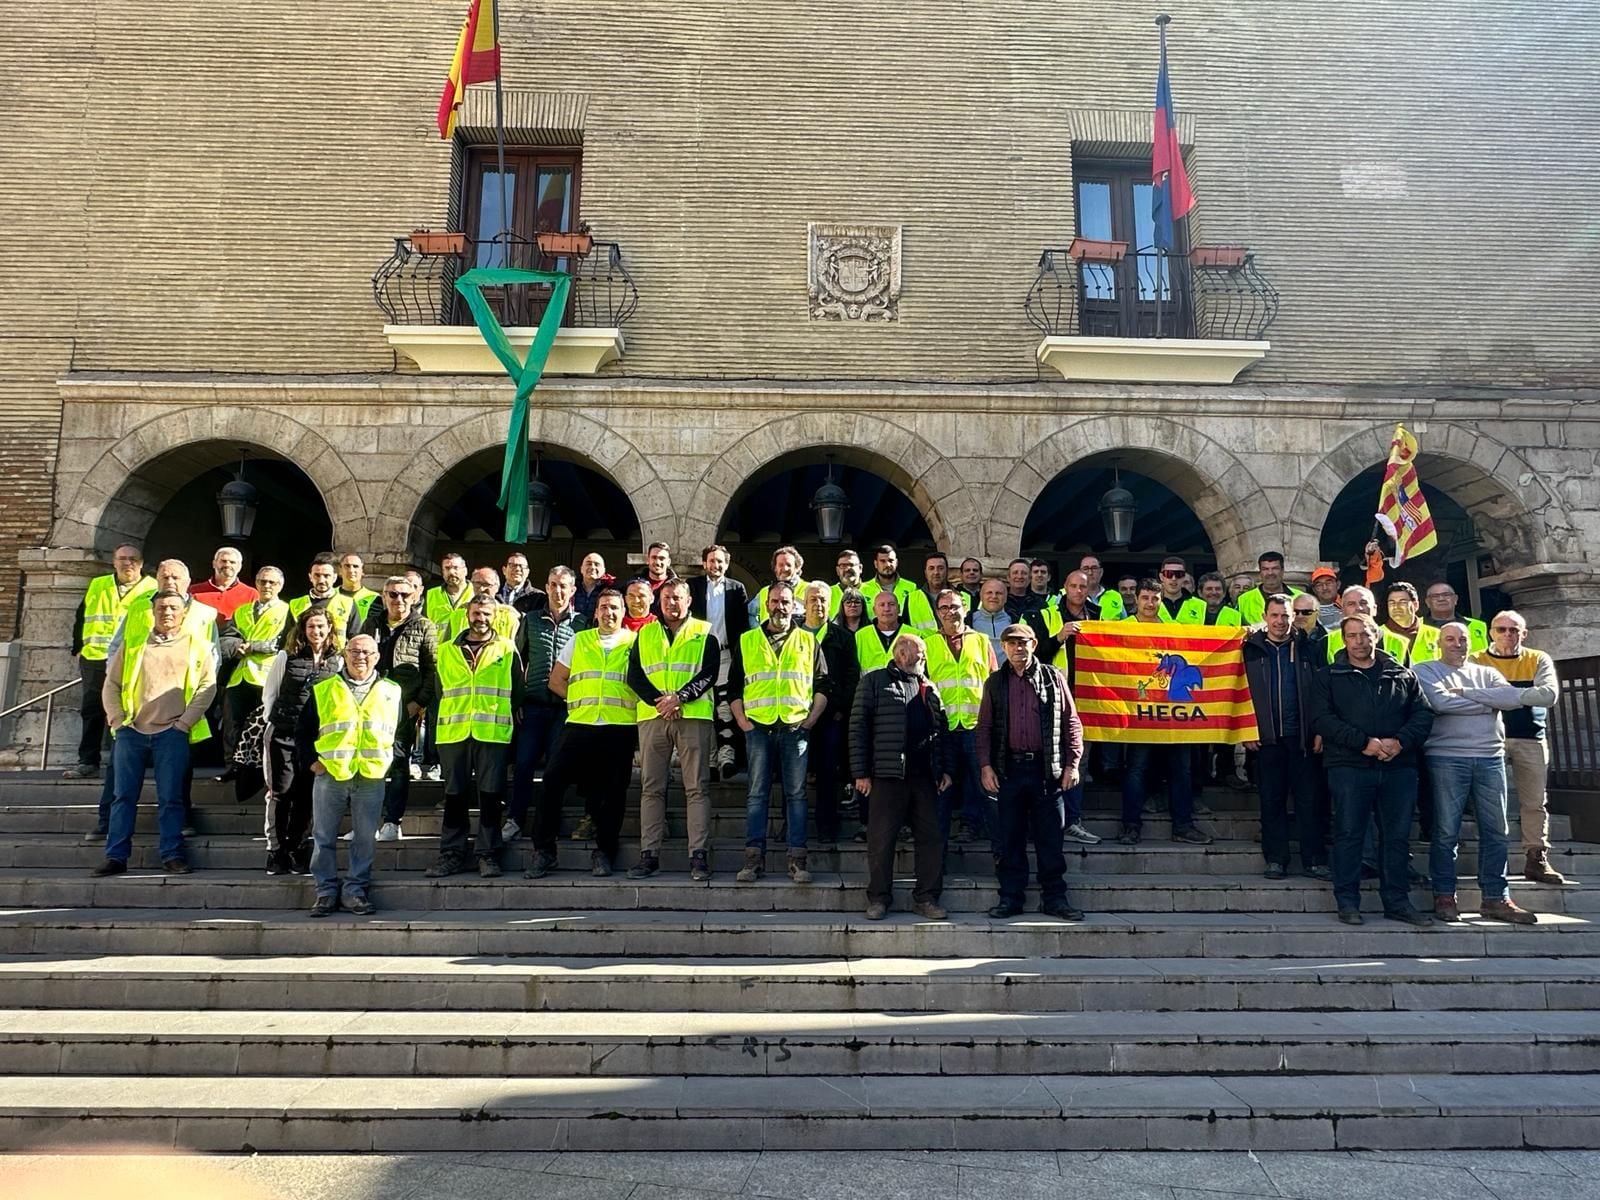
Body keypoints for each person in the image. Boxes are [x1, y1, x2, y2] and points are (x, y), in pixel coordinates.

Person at [1310, 614, 1435, 926]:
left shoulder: (1402, 674)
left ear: (1376, 636)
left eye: (1364, 635)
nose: (1359, 641)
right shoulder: (1329, 676)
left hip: (1398, 766)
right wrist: (1363, 742)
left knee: (1396, 837)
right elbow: (1322, 719)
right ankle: (1348, 902)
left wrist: (1399, 742)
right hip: (1349, 766)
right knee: (1349, 833)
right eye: (1351, 636)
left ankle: (1397, 901)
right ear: (1344, 639)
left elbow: (1422, 714)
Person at [1414, 623, 1538, 924]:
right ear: (1439, 643)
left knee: (1496, 831)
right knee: (1446, 831)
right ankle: (1445, 896)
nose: (1457, 644)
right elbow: (1440, 703)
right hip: (1446, 757)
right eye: (1450, 639)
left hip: (1490, 758)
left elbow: (1511, 699)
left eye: (1463, 639)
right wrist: (1487, 702)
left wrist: (1467, 695)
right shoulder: (1425, 670)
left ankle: (1496, 897)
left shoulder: (1487, 671)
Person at [93, 591, 217, 877]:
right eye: (161, 607)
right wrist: (117, 721)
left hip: (172, 733)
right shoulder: (134, 644)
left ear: (184, 612)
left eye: (174, 608)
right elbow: (111, 684)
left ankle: (172, 855)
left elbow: (207, 687)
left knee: (171, 798)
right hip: (131, 733)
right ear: (153, 611)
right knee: (122, 797)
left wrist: (184, 723)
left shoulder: (198, 646)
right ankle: (116, 856)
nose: (168, 613)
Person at [525, 589, 638, 879]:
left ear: (623, 612)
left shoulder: (635, 642)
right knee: (551, 781)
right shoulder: (580, 639)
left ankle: (604, 852)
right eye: (603, 607)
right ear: (595, 612)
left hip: (620, 726)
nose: (609, 613)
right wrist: (576, 701)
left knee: (612, 794)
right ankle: (544, 851)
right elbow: (556, 680)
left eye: (614, 607)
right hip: (580, 724)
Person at [977, 622, 1084, 921]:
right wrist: (985, 766)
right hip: (1009, 769)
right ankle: (1010, 898)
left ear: (1034, 645)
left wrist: (1072, 764)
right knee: (1010, 838)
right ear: (1004, 647)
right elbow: (984, 727)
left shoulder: (1053, 678)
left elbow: (1071, 722)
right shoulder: (995, 682)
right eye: (1011, 643)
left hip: (1046, 770)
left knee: (1051, 838)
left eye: (1022, 643)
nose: (1017, 648)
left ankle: (1056, 899)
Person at [297, 633, 400, 917]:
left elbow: (399, 731)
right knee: (323, 836)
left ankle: (355, 890)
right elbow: (303, 731)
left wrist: (391, 759)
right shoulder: (324, 688)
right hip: (331, 774)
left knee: (365, 838)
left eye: (367, 652)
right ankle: (326, 892)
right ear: (344, 654)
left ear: (377, 656)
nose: (361, 658)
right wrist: (312, 763)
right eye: (354, 652)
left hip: (371, 775)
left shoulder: (392, 690)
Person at [731, 582, 827, 884]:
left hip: (795, 727)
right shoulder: (747, 640)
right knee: (756, 794)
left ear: (794, 605)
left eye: (785, 602)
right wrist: (743, 722)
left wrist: (811, 721)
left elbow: (823, 684)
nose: (779, 607)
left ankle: (797, 860)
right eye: (774, 601)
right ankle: (752, 860)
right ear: (765, 604)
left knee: (796, 795)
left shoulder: (808, 641)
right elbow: (734, 687)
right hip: (758, 727)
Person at [852, 634, 952, 920]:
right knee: (881, 840)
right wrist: (860, 773)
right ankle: (879, 898)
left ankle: (926, 898)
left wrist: (945, 769)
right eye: (918, 653)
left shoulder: (929, 686)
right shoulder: (873, 682)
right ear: (900, 654)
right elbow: (858, 728)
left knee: (932, 838)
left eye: (923, 654)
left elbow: (940, 731)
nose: (923, 658)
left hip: (925, 777)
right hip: (886, 775)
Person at [627, 577, 719, 879]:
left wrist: (680, 697)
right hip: (654, 717)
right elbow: (635, 676)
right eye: (666, 598)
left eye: (677, 598)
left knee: (696, 788)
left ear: (689, 600)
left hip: (692, 716)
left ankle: (698, 856)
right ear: (659, 601)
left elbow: (709, 672)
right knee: (651, 788)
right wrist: (661, 702)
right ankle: (649, 855)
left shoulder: (705, 633)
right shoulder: (645, 634)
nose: (671, 603)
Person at [425, 596, 522, 878]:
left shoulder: (506, 649)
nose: (481, 619)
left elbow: (517, 691)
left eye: (487, 614)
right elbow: (439, 691)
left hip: (492, 732)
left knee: (491, 795)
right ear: (467, 615)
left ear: (495, 617)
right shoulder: (445, 651)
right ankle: (452, 853)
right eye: (476, 613)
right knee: (454, 795)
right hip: (453, 733)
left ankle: (488, 853)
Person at [1474, 610, 1567, 884]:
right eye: (1501, 629)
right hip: (1489, 737)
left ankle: (1536, 857)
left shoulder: (1538, 658)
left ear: (1524, 634)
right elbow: (1472, 696)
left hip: (1531, 738)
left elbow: (1548, 695)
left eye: (1513, 630)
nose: (1507, 634)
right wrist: (1523, 696)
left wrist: (1500, 696)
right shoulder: (1477, 660)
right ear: (1491, 632)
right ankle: (1493, 859)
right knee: (1490, 803)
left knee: (1535, 801)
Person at [1119, 579, 1213, 846]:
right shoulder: (1120, 629)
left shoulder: (1173, 630)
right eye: (1145, 597)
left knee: (1181, 769)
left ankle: (1183, 826)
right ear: (1135, 599)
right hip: (1138, 712)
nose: (1150, 603)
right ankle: (1130, 826)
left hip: (1174, 712)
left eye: (1155, 598)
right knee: (1136, 768)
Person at [1243, 595, 1326, 879]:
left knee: (1309, 800)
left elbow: (1321, 692)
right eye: (1275, 615)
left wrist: (1319, 730)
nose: (1280, 621)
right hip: (1266, 738)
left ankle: (1313, 858)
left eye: (1285, 616)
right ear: (1265, 616)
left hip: (1302, 736)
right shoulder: (1249, 649)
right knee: (1271, 800)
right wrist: (1246, 728)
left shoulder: (1309, 647)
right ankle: (1276, 859)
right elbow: (1237, 692)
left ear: (1294, 617)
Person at [259, 609, 343, 874]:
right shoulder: (286, 657)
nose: (316, 632)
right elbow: (270, 694)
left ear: (329, 629)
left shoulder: (337, 662)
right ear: (302, 629)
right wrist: (273, 722)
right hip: (282, 734)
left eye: (321, 626)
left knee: (307, 795)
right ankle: (276, 850)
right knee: (280, 793)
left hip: (315, 739)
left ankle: (297, 847)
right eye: (310, 627)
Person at [507, 566, 584, 842]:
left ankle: (549, 819)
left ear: (573, 590)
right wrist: (516, 700)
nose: (558, 590)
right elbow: (518, 663)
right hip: (534, 704)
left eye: (564, 585)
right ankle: (515, 818)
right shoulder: (530, 620)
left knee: (556, 766)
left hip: (565, 707)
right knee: (524, 763)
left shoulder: (582, 623)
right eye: (553, 584)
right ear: (547, 586)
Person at [67, 543, 156, 781]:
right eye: (122, 559)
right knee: (92, 708)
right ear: (114, 562)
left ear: (141, 563)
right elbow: (81, 615)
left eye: (133, 559)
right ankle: (88, 761)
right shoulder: (99, 584)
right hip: (95, 655)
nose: (128, 563)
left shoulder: (153, 587)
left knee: (129, 708)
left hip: (131, 658)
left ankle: (129, 761)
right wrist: (78, 647)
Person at [362, 574, 438, 842]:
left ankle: (393, 821)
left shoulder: (424, 626)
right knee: (369, 764)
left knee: (397, 763)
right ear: (384, 597)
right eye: (393, 594)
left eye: (405, 595)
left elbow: (431, 669)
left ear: (415, 597)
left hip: (404, 706)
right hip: (370, 705)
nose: (399, 600)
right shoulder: (372, 623)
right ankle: (366, 823)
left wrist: (419, 703)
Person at [926, 588, 997, 844]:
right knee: (941, 792)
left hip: (975, 726)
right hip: (942, 729)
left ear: (965, 609)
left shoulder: (980, 641)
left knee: (984, 786)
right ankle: (937, 855)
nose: (950, 612)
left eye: (955, 607)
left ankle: (987, 837)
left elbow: (993, 682)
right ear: (937, 613)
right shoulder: (928, 643)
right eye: (944, 608)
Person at [218, 565, 290, 802]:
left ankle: (258, 769)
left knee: (260, 726)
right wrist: (234, 647)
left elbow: (283, 642)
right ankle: (232, 767)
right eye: (262, 581)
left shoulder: (287, 611)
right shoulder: (242, 610)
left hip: (266, 675)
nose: (266, 586)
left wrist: (254, 646)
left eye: (271, 582)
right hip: (240, 674)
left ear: (280, 586)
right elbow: (228, 636)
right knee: (232, 722)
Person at [1039, 571, 1099, 844]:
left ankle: (1073, 820)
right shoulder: (1047, 614)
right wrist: (1059, 636)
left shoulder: (1098, 616)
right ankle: (1051, 819)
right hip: (1052, 697)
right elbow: (1036, 654)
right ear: (1064, 587)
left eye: (1082, 587)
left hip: (1088, 698)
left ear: (1089, 589)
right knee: (1051, 758)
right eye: (1073, 585)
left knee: (1078, 760)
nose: (1077, 591)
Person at [688, 544, 749, 781]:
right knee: (705, 705)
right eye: (712, 561)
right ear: (705, 563)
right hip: (700, 654)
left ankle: (727, 758)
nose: (716, 565)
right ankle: (710, 761)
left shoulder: (737, 588)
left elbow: (743, 626)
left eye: (721, 561)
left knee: (725, 706)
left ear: (727, 562)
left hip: (726, 654)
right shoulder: (693, 586)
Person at [806, 581, 860, 845]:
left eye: (823, 600)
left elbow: (851, 677)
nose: (818, 604)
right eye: (813, 599)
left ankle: (827, 827)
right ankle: (791, 826)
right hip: (796, 714)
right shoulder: (794, 634)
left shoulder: (843, 637)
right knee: (794, 775)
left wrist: (840, 709)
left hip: (831, 717)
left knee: (828, 774)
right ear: (805, 604)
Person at [860, 542, 935, 630]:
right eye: (882, 561)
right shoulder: (863, 589)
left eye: (891, 561)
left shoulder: (911, 587)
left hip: (904, 636)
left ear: (897, 562)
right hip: (874, 638)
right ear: (876, 564)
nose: (887, 565)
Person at [289, 552, 361, 640]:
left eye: (326, 576)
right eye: (317, 575)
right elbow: (288, 639)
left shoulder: (348, 604)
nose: (321, 580)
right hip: (303, 653)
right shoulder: (295, 604)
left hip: (336, 653)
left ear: (334, 577)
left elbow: (355, 638)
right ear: (310, 577)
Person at [441, 568, 520, 642]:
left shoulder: (509, 617)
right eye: (477, 584)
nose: (482, 589)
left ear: (497, 587)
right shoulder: (458, 615)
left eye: (487, 584)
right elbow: (446, 646)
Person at [1234, 551, 1302, 626]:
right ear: (1260, 572)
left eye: (1275, 568)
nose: (1270, 573)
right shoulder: (1243, 600)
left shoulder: (1300, 597)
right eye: (1265, 569)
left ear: (1282, 570)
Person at [189, 546, 257, 620]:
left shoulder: (251, 594)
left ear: (239, 567)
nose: (227, 565)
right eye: (223, 561)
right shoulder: (193, 591)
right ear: (214, 564)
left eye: (232, 562)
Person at [748, 545, 811, 624]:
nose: (785, 569)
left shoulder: (810, 589)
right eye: (781, 565)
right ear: (775, 568)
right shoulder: (764, 592)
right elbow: (749, 614)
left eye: (789, 565)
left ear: (797, 567)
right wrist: (758, 630)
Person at [1383, 581, 1441, 666]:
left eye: (1402, 602)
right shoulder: (1378, 635)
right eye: (1392, 603)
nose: (1396, 607)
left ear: (1415, 605)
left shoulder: (1436, 635)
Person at [1424, 581, 1488, 653]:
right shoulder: (1418, 627)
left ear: (1455, 599)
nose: (1441, 599)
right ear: (1427, 602)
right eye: (1435, 596)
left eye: (1446, 595)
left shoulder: (1478, 626)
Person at [967, 578, 1011, 659]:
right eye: (989, 593)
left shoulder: (1015, 621)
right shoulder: (967, 621)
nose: (994, 596)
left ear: (1005, 598)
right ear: (981, 596)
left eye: (999, 593)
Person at [1156, 556, 1206, 624]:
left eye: (1179, 574)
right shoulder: (1151, 604)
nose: (1174, 578)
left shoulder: (1201, 605)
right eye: (1169, 574)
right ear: (1161, 577)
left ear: (1184, 577)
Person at [337, 552, 380, 626]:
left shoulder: (374, 598)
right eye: (347, 566)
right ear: (340, 570)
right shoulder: (330, 594)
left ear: (363, 571)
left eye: (355, 566)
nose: (351, 570)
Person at [1079, 553, 1126, 621]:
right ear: (1079, 572)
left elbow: (1126, 626)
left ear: (1101, 572)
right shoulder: (1066, 594)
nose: (1090, 573)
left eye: (1094, 568)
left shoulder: (1115, 596)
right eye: (1086, 569)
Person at [572, 552, 616, 621]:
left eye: (597, 564)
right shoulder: (571, 589)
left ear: (604, 570)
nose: (592, 567)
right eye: (589, 564)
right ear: (581, 569)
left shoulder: (611, 591)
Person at [829, 549, 865, 617]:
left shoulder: (876, 592)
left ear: (860, 568)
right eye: (843, 566)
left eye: (851, 565)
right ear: (837, 570)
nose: (847, 569)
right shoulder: (828, 593)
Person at [642, 541, 676, 609]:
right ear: (648, 560)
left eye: (662, 558)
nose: (657, 562)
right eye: (654, 557)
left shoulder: (677, 587)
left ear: (668, 562)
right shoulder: (634, 585)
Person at [1310, 567, 1343, 632]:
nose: (1324, 588)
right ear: (1314, 590)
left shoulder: (1350, 605)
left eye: (1328, 583)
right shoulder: (1309, 612)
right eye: (1319, 584)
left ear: (1338, 585)